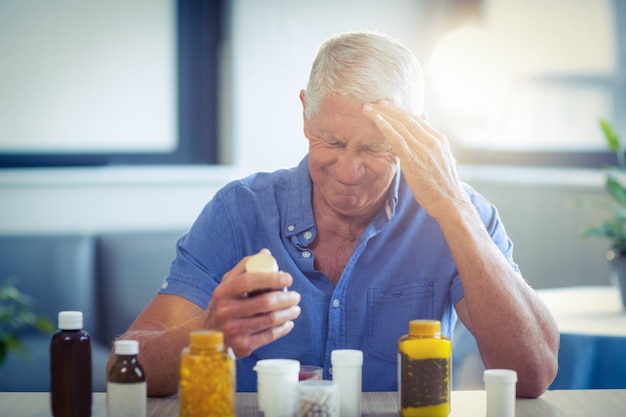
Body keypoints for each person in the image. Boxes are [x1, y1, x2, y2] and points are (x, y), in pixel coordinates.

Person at [108, 31, 559, 398]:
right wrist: (209, 332)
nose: (348, 171)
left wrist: (454, 209)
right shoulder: (238, 212)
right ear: (305, 114)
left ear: (417, 132)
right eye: (332, 141)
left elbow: (533, 372)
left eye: (375, 146)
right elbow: (126, 366)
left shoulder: (459, 215)